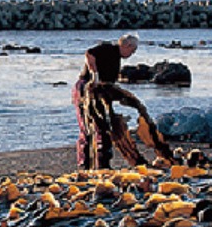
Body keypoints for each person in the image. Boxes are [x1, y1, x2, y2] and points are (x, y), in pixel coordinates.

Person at [72, 33, 173, 169]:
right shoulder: (108, 48)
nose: (133, 53)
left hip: (102, 91)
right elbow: (89, 54)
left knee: (105, 127)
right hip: (86, 88)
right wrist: (94, 75)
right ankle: (85, 163)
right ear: (127, 45)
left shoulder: (117, 58)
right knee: (88, 126)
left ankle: (102, 163)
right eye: (133, 50)